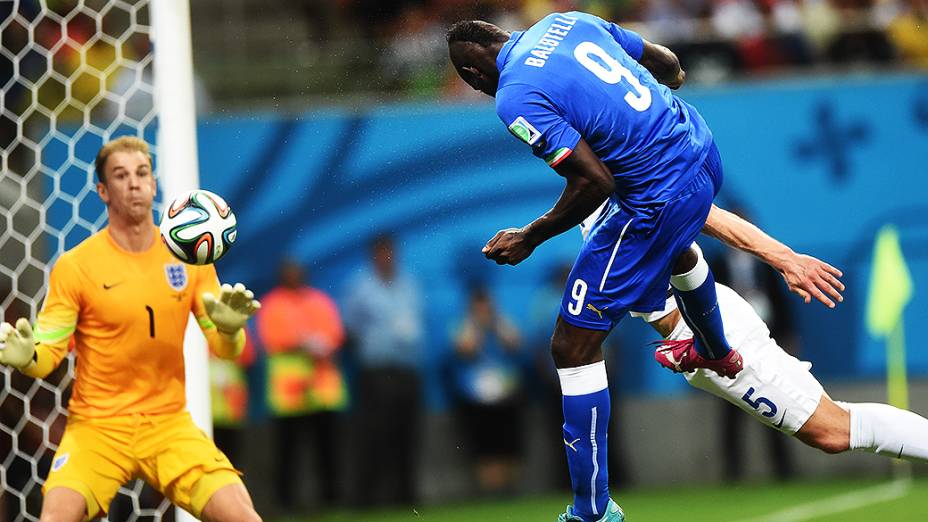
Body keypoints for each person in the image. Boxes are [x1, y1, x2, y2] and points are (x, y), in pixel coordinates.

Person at [447, 13, 843, 522]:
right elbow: (666, 63)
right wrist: (669, 87)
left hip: (654, 198)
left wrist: (531, 235)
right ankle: (718, 350)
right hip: (699, 152)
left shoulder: (515, 97)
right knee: (675, 249)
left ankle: (592, 510)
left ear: (472, 75)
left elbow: (594, 183)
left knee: (571, 345)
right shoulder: (566, 21)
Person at [0, 136, 262, 522]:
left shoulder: (189, 259)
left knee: (242, 516)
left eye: (142, 173)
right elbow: (47, 355)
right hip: (97, 427)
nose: (135, 183)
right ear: (103, 191)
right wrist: (28, 358)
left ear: (154, 185)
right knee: (56, 516)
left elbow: (226, 349)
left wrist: (230, 330)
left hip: (169, 424)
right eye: (121, 176)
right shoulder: (76, 266)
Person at [640, 265, 928, 465]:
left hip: (708, 331)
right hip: (697, 328)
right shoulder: (611, 207)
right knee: (833, 426)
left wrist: (710, 342)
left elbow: (695, 229)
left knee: (833, 429)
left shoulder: (621, 197)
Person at [255, 259, 347, 509]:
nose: (294, 276)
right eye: (289, 273)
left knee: (326, 447)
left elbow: (336, 335)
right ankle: (285, 503)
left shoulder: (320, 301)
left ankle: (331, 500)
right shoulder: (272, 304)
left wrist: (323, 346)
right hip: (290, 394)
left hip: (321, 389)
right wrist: (300, 344)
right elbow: (269, 339)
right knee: (288, 451)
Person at [343, 234, 424, 506]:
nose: (387, 257)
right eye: (381, 252)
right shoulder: (361, 286)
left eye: (390, 252)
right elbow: (350, 329)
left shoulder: (409, 283)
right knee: (375, 435)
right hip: (377, 370)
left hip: (408, 368)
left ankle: (406, 496)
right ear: (373, 255)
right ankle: (368, 499)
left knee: (407, 433)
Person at [448, 287, 525, 496]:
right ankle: (491, 491)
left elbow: (515, 343)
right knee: (486, 448)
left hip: (505, 395)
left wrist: (496, 324)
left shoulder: (501, 323)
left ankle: (510, 490)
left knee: (509, 446)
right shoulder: (464, 325)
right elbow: (465, 348)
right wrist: (477, 327)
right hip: (478, 398)